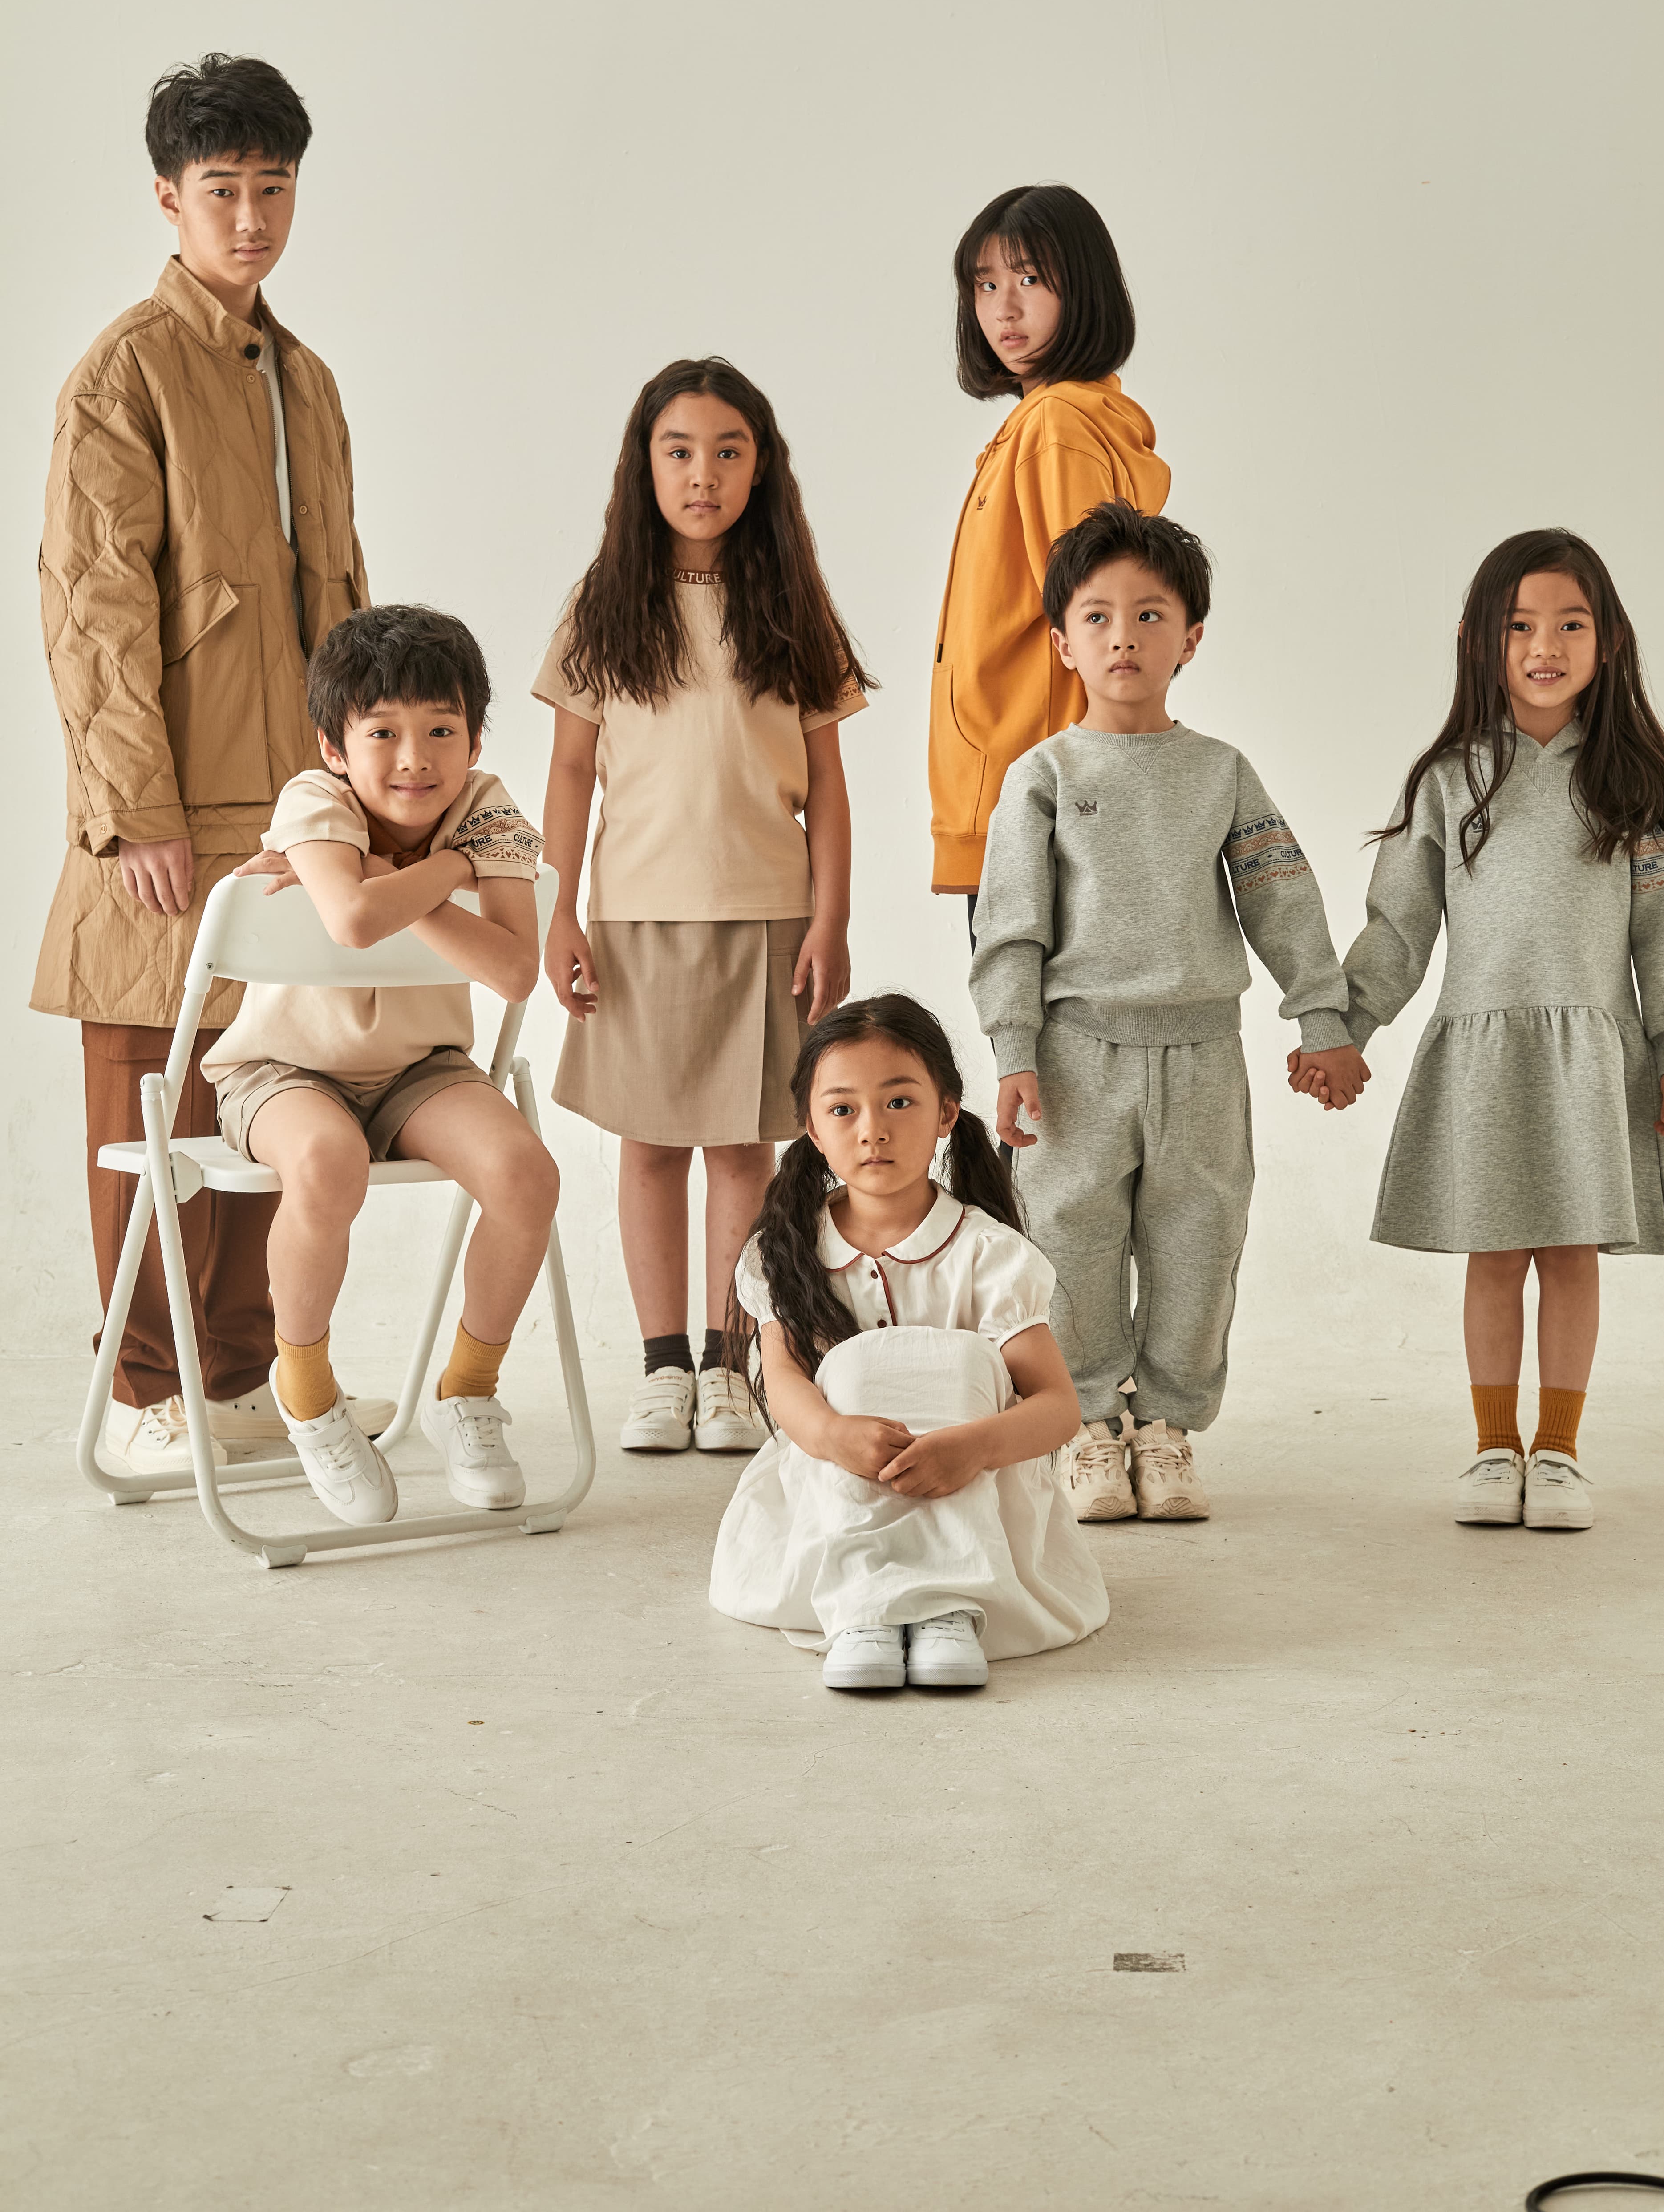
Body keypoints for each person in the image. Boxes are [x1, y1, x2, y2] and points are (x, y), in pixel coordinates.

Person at [33, 52, 389, 1477]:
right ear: (169, 199)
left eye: (275, 187)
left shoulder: (306, 378)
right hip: (172, 816)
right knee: (154, 1106)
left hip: (297, 825)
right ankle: (144, 1383)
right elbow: (93, 609)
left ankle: (241, 1371)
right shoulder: (127, 372)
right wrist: (134, 814)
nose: (252, 218)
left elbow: (346, 604)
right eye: (223, 190)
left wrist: (368, 806)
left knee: (268, 1096)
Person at [1294, 530, 1664, 1533]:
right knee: (1495, 1253)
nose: (1545, 644)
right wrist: (1343, 1027)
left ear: (1608, 641)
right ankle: (1492, 1449)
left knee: (1570, 1253)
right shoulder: (1450, 781)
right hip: (1485, 1055)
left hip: (1594, 1057)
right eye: (1520, 625)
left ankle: (1559, 1454)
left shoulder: (1632, 783)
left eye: (1571, 623)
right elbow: (1399, 928)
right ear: (1483, 642)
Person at [971, 503, 1366, 1523]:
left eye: (1151, 616)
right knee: (1071, 1241)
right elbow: (1011, 928)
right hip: (1074, 1055)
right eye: (1098, 617)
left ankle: (1170, 1426)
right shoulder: (1044, 776)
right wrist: (1015, 1051)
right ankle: (1092, 1424)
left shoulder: (1221, 773)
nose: (1124, 638)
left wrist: (1323, 1018)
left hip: (1201, 1055)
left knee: (1200, 1238)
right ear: (1062, 642)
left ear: (1191, 638)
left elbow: (1283, 897)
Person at [535, 357, 871, 1459]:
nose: (703, 473)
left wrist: (831, 919)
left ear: (761, 467)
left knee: (741, 1150)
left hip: (766, 918)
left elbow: (826, 786)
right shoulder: (603, 606)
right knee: (647, 1146)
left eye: (729, 451)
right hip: (634, 921)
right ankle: (663, 1365)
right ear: (645, 465)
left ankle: (733, 1371)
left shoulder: (792, 606)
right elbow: (572, 772)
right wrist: (559, 910)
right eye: (679, 451)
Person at [204, 606, 558, 1524]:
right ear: (335, 744)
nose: (416, 759)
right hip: (283, 1072)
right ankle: (311, 1396)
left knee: (525, 1172)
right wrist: (450, 876)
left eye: (443, 730)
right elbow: (352, 924)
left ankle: (467, 1394)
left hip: (417, 1068)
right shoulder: (313, 802)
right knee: (328, 1164)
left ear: (474, 737)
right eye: (384, 733)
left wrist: (403, 880)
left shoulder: (488, 805)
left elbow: (518, 968)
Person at [709, 995, 1106, 1690]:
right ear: (811, 1127)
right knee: (854, 1369)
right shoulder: (784, 1253)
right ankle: (862, 1604)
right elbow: (785, 1380)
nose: (872, 1132)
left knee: (956, 1364)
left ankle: (948, 1605)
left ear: (947, 1113)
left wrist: (976, 1445)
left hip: (969, 1486)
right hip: (839, 1481)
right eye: (843, 1110)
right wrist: (834, 1435)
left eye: (898, 1103)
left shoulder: (988, 1254)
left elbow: (1058, 1407)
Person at [929, 182, 1171, 924]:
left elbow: (1103, 623)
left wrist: (1095, 800)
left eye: (1031, 280)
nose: (1005, 308)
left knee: (1034, 1037)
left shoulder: (1054, 428)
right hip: (1042, 800)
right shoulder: (1052, 423)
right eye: (987, 284)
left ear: (1084, 288)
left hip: (1036, 809)